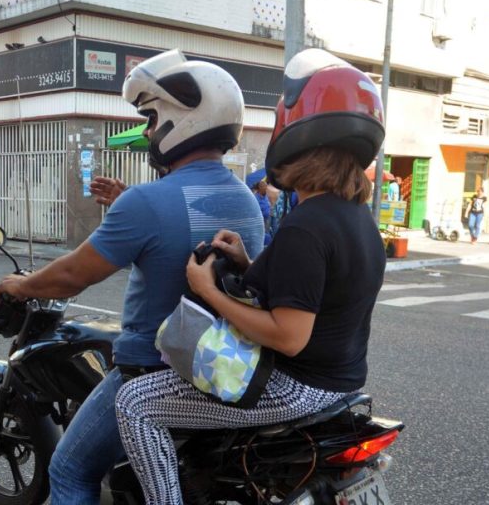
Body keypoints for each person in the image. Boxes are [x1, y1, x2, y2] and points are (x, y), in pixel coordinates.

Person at [114, 48, 388, 504]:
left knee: (135, 404)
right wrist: (245, 263)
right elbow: (315, 292)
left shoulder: (307, 224)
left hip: (294, 388)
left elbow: (289, 336)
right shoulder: (357, 221)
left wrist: (208, 292)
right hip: (343, 383)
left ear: (298, 140)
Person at [0, 49, 265, 504]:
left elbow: (73, 275)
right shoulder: (246, 200)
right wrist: (127, 199)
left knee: (70, 469)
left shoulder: (145, 204)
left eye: (153, 119)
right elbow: (181, 223)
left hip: (151, 370)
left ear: (184, 121)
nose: (148, 132)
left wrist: (20, 285)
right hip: (225, 366)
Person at [251, 179, 272, 245]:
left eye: (266, 186)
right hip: (259, 221)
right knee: (261, 237)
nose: (266, 188)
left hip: (267, 220)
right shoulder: (255, 198)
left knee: (267, 235)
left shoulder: (266, 197)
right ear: (259, 188)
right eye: (264, 186)